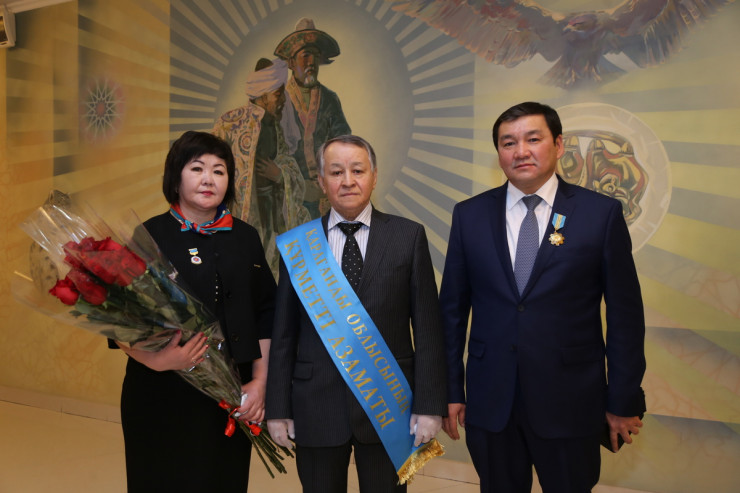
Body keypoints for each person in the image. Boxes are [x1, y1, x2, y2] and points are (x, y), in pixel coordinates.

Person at [439, 102, 646, 492]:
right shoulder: (469, 215)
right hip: (491, 401)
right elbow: (451, 312)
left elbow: (626, 317)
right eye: (508, 143)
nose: (521, 151)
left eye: (533, 139)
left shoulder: (600, 214)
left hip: (571, 401)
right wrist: (450, 390)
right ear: (499, 152)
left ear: (558, 145)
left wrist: (622, 400)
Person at [265, 135, 446, 493]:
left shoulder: (408, 236)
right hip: (315, 406)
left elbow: (428, 328)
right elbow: (283, 334)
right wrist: (278, 408)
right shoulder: (297, 245)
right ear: (321, 181)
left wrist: (429, 406)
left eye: (358, 171)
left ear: (374, 176)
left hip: (388, 407)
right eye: (336, 172)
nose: (347, 181)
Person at [112, 131, 276, 492]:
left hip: (231, 396)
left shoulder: (246, 237)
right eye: (197, 168)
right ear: (176, 177)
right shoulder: (150, 235)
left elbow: (267, 313)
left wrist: (260, 383)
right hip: (161, 393)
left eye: (219, 171)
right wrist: (159, 361)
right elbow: (120, 319)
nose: (208, 179)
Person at [213, 57, 310, 278]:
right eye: (278, 94)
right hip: (241, 217)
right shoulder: (229, 123)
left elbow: (286, 162)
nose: (283, 100)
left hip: (272, 213)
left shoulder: (275, 128)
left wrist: (279, 175)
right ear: (264, 95)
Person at [274, 18, 351, 218]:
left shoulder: (330, 99)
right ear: (291, 62)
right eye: (305, 55)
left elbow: (344, 144)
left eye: (316, 56)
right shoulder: (279, 99)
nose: (311, 62)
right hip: (289, 194)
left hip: (325, 194)